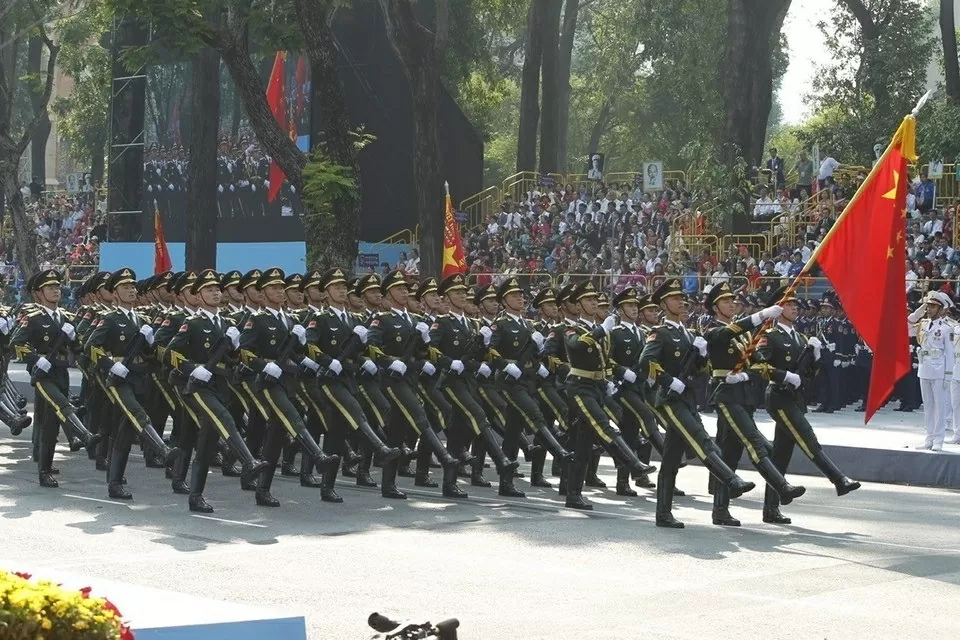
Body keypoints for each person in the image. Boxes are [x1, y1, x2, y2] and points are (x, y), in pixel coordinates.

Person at [638, 278, 756, 528]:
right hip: (670, 399)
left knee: (671, 458)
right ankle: (730, 479)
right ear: (663, 304)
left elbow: (701, 370)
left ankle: (663, 512)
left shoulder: (690, 334)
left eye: (682, 298)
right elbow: (645, 362)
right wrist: (669, 381)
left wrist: (701, 357)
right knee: (701, 438)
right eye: (674, 299)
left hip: (688, 398)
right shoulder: (659, 333)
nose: (681, 302)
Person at [700, 282, 806, 526]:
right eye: (726, 301)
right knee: (757, 443)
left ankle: (720, 510)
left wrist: (747, 375)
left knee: (730, 452)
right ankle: (782, 487)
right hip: (725, 395)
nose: (732, 304)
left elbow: (759, 363)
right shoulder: (713, 329)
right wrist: (760, 316)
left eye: (733, 300)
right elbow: (727, 335)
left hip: (744, 395)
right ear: (715, 308)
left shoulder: (746, 334)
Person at [164, 269, 268, 512]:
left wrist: (233, 348)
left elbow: (231, 359)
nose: (214, 293)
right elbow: (170, 353)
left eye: (216, 289)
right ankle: (248, 461)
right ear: (198, 297)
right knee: (224, 418)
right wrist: (192, 369)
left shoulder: (226, 323)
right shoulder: (192, 323)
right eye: (208, 290)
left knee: (207, 441)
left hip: (221, 385)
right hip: (198, 387)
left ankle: (195, 495)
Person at [756, 286, 860, 524]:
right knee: (807, 436)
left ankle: (770, 509)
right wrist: (783, 375)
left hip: (796, 399)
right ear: (778, 309)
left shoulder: (800, 337)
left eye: (796, 305)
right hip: (779, 398)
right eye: (790, 305)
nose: (795, 308)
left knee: (780, 457)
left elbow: (809, 373)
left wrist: (815, 356)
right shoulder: (770, 337)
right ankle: (838, 479)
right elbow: (758, 365)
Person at [85, 268, 179, 499]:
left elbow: (150, 353)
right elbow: (91, 347)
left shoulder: (143, 319)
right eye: (125, 287)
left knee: (125, 432)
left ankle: (115, 481)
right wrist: (110, 365)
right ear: (114, 293)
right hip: (119, 379)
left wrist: (149, 342)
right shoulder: (109, 318)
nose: (131, 291)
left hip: (139, 378)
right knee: (137, 415)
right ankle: (161, 448)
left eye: (132, 287)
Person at [11, 270, 103, 488]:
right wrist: (35, 359)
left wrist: (73, 337)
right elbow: (17, 342)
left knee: (50, 424)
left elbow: (79, 347)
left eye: (57, 287)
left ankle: (45, 468)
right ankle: (84, 434)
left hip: (60, 372)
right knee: (63, 405)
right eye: (50, 288)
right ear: (40, 293)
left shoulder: (66, 317)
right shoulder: (34, 317)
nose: (55, 291)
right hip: (43, 374)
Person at [907, 291, 954, 451]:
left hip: (940, 370)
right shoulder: (923, 324)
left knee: (939, 407)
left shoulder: (947, 328)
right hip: (924, 368)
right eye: (928, 306)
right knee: (928, 406)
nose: (929, 309)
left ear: (941, 309)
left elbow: (949, 353)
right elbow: (907, 325)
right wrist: (920, 310)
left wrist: (948, 375)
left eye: (933, 306)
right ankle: (929, 438)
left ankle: (938, 440)